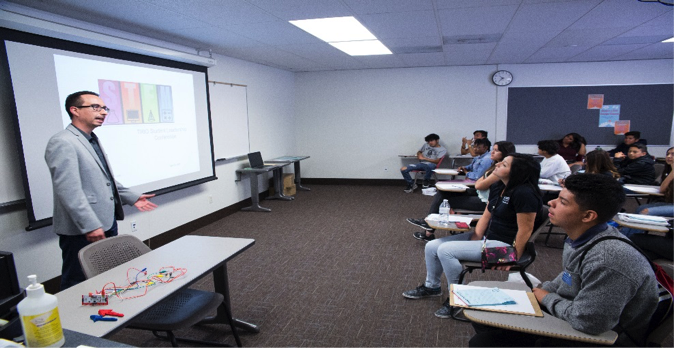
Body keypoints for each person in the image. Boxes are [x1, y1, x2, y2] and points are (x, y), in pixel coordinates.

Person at [469, 174, 659, 348]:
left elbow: (590, 322)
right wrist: (543, 291)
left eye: (562, 202)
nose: (551, 203)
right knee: (486, 316)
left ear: (588, 216)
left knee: (485, 342)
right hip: (576, 311)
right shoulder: (579, 238)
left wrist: (546, 297)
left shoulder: (609, 258)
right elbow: (569, 275)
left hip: (604, 336)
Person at [402, 154, 543, 318]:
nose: (497, 165)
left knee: (446, 251)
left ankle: (457, 299)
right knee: (432, 246)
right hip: (488, 239)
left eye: (503, 165)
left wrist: (512, 257)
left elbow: (525, 230)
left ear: (517, 172)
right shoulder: (499, 186)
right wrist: (475, 236)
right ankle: (432, 287)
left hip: (505, 247)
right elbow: (487, 214)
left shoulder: (524, 193)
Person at [45, 91, 158, 290]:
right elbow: (68, 190)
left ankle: (105, 314)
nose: (103, 112)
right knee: (78, 280)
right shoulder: (63, 141)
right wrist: (90, 225)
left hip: (105, 220)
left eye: (104, 108)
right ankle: (74, 320)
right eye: (95, 107)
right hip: (83, 228)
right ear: (75, 110)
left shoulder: (91, 139)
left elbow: (105, 180)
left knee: (105, 273)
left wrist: (132, 197)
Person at [408, 141, 516, 241]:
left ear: (505, 153)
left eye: (496, 150)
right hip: (481, 194)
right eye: (493, 149)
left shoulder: (499, 169)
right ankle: (428, 228)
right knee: (443, 192)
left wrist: (479, 179)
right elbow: (479, 180)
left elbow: (479, 184)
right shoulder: (494, 165)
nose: (492, 152)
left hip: (486, 202)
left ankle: (428, 230)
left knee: (446, 200)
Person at [620, 146, 674, 237]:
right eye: (667, 154)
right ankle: (625, 236)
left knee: (647, 211)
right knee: (641, 208)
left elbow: (662, 189)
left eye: (673, 154)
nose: (669, 156)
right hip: (670, 202)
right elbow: (663, 188)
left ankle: (630, 237)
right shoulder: (669, 170)